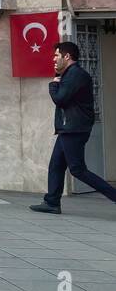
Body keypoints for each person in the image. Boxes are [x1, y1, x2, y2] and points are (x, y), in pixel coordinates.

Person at [31, 41, 116, 214]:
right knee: (56, 165)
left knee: (78, 170)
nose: (53, 59)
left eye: (56, 55)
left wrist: (53, 84)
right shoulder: (70, 74)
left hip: (75, 128)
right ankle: (52, 202)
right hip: (69, 128)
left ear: (67, 56)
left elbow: (60, 99)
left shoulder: (75, 75)